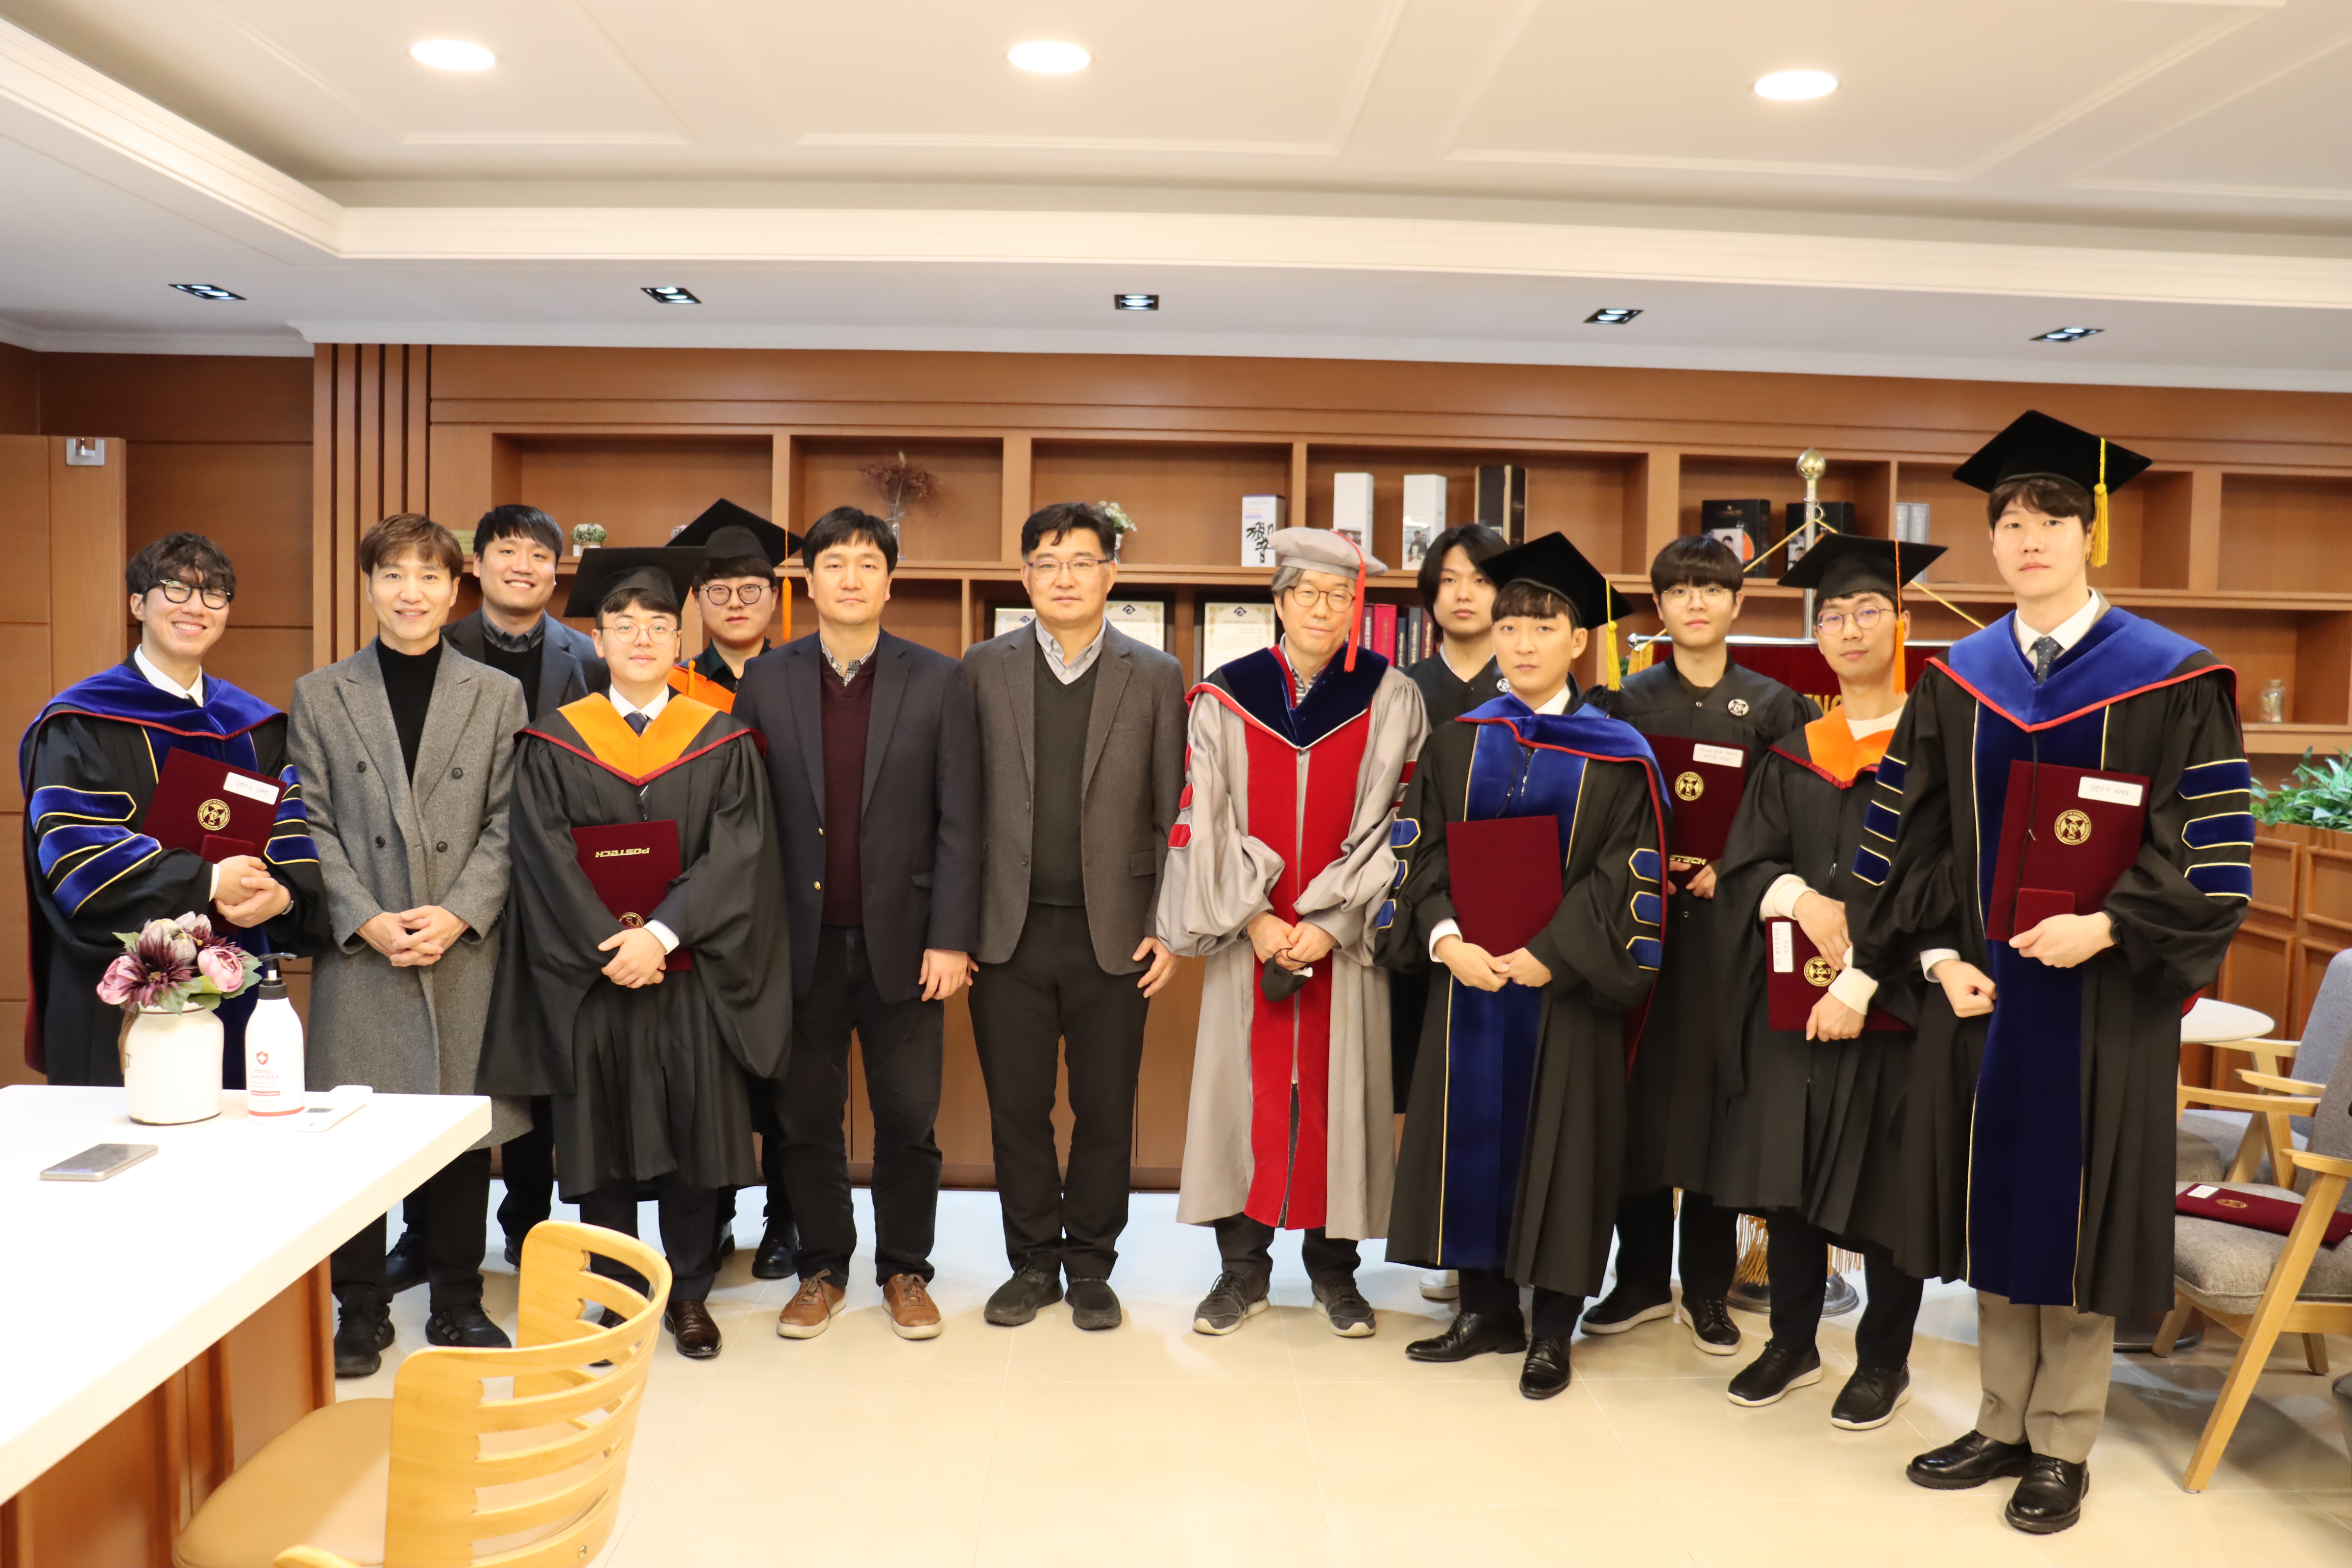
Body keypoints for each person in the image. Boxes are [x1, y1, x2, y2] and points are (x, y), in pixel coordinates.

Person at [1851, 412, 2251, 1534]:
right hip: (1982, 994)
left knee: (2076, 1211)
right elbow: (1911, 837)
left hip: (2104, 997)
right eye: (2011, 523)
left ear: (2090, 534)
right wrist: (1936, 955)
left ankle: (2063, 1439)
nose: (2029, 539)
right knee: (1999, 1201)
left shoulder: (2171, 677)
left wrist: (2110, 926)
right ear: (1992, 543)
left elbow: (2209, 847)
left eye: (2052, 520)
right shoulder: (1960, 680)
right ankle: (1999, 1419)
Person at [478, 549, 793, 1361]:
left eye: (658, 624)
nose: (642, 638)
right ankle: (618, 1299)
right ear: (599, 641)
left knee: (694, 1139)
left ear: (679, 639)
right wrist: (612, 944)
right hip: (598, 977)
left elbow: (738, 853)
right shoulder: (554, 741)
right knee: (601, 1142)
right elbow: (542, 857)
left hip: (688, 974)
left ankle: (688, 1297)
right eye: (624, 625)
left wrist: (661, 934)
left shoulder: (720, 738)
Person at [1380, 533, 1666, 1399]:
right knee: (1469, 1138)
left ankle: (1551, 1330)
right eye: (1510, 626)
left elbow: (1624, 876)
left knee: (1563, 1152)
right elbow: (1420, 856)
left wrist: (1549, 956)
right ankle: (1485, 1312)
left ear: (1579, 640)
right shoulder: (1459, 742)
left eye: (1544, 627)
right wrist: (1447, 942)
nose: (1524, 642)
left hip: (1565, 993)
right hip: (1470, 983)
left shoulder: (1618, 751)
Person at [1157, 526, 1426, 1339]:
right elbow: (1205, 818)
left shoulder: (1391, 696)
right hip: (1252, 937)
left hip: (1346, 939)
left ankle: (1335, 1274)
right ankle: (1242, 1272)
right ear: (1278, 601)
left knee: (1342, 1097)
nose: (1322, 608)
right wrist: (1258, 918)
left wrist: (1333, 921)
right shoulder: (1225, 697)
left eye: (1340, 596)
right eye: (1306, 593)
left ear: (1357, 609)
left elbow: (1400, 822)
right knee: (1244, 1096)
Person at [1706, 534, 1946, 1429]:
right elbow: (1746, 865)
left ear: (1903, 623)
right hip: (1798, 997)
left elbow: (1945, 882)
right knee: (1790, 1170)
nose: (1849, 628)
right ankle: (1792, 1342)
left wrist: (1869, 972)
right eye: (1832, 616)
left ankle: (1884, 1360)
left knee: (1891, 1185)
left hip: (1901, 1005)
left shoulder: (1939, 750)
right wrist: (1801, 898)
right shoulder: (1800, 749)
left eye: (1868, 610)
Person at [288, 514, 531, 1376]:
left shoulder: (497, 694)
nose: (411, 592)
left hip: (461, 945)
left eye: (429, 576)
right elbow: (308, 821)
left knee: (460, 1131)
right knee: (355, 1136)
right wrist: (364, 915)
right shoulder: (322, 693)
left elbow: (511, 819)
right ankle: (359, 1309)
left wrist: (460, 911)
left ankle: (458, 1300)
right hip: (366, 948)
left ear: (455, 589)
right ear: (369, 588)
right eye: (393, 575)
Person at [733, 506, 981, 1342]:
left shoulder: (939, 679)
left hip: (907, 946)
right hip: (795, 946)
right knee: (806, 1122)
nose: (850, 577)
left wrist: (951, 937)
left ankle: (906, 1269)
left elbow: (961, 818)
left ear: (889, 582)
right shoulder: (768, 680)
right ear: (807, 581)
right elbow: (744, 817)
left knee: (908, 1121)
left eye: (867, 564)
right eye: (833, 563)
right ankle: (822, 1269)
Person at [1588, 535, 1815, 1355]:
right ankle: (1641, 1281)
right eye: (1679, 591)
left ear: (1736, 603)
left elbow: (1795, 818)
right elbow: (1603, 813)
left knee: (1720, 1104)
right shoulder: (1623, 703)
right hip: (1643, 928)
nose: (1695, 603)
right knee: (1639, 1099)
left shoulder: (1778, 707)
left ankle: (1709, 1289)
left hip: (1733, 935)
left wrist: (1735, 865)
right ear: (1658, 606)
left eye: (1711, 590)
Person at [962, 502, 1187, 1331]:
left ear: (1111, 575)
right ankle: (1032, 1263)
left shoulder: (1155, 674)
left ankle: (1091, 1263)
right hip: (1006, 930)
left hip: (1116, 931)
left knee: (1105, 1109)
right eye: (1048, 563)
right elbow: (960, 805)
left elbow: (1173, 813)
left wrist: (1169, 924)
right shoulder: (981, 668)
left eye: (1082, 562)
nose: (1065, 578)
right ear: (1024, 577)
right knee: (1017, 1110)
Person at [20, 532, 322, 1087]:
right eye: (176, 589)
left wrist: (281, 893)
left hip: (234, 974)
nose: (196, 607)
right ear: (138, 603)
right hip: (115, 984)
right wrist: (210, 880)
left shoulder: (255, 726)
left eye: (214, 594)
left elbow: (289, 826)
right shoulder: (81, 721)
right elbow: (78, 855)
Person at [438, 502, 608, 1277]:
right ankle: (431, 1234)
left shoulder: (590, 660)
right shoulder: (440, 646)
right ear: (476, 565)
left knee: (538, 1067)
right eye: (508, 551)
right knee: (454, 1067)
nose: (525, 566)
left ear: (557, 570)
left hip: (555, 893)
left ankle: (529, 1226)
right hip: (456, 888)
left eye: (541, 555)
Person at [1393, 523, 1511, 1304]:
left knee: (1508, 1081)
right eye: (1449, 580)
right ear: (1430, 596)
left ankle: (1505, 1245)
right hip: (1420, 914)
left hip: (1515, 915)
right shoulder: (1400, 690)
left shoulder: (1531, 683)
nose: (1464, 594)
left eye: (1481, 579)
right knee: (1425, 1080)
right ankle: (1446, 1240)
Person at [665, 499, 795, 711]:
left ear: (774, 597)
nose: (735, 603)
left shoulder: (801, 680)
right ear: (697, 601)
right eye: (719, 590)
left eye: (750, 589)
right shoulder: (675, 686)